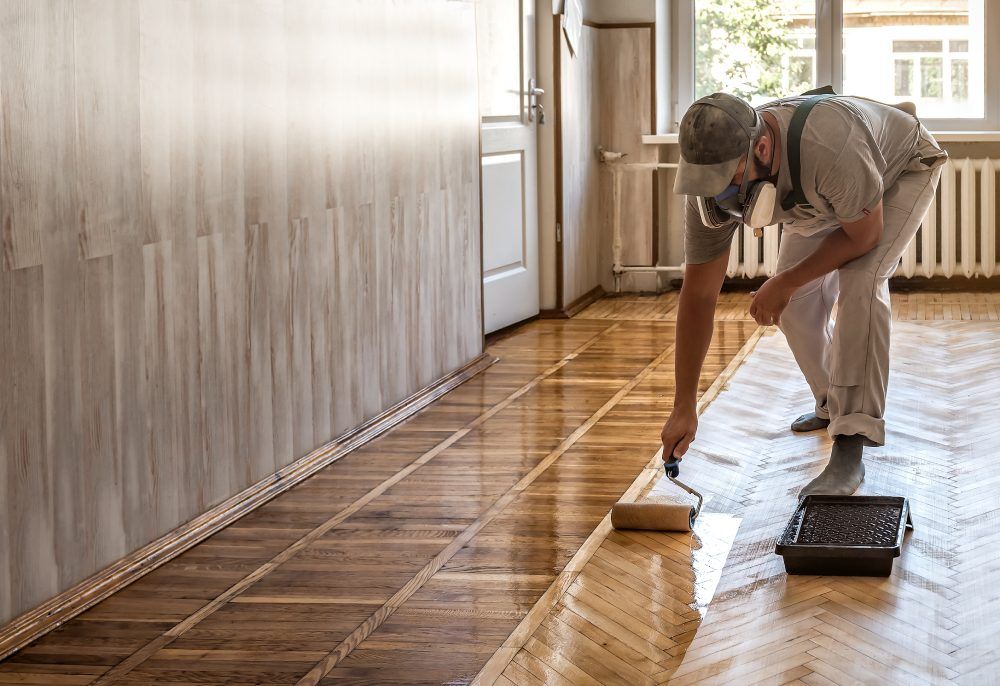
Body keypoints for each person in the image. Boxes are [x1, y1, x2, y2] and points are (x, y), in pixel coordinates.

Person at [661, 90, 947, 497]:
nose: (721, 195)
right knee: (794, 307)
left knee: (861, 282)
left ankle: (851, 442)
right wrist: (683, 404)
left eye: (730, 178)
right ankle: (831, 403)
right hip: (820, 193)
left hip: (899, 169)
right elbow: (699, 297)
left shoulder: (828, 143)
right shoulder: (707, 188)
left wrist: (785, 280)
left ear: (761, 147)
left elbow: (864, 237)